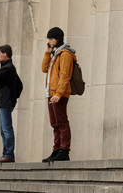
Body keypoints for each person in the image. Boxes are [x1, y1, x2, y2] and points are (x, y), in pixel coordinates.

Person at [41, 27, 76, 162]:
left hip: (58, 94)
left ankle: (64, 150)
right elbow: (44, 69)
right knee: (54, 123)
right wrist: (47, 53)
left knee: (61, 122)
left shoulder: (65, 54)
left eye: (51, 39)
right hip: (51, 93)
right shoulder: (54, 53)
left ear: (58, 39)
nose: (49, 41)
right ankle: (56, 149)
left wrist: (59, 93)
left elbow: (64, 76)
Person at [0, 44, 20, 163]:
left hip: (5, 102)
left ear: (5, 54)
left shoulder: (8, 68)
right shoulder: (7, 67)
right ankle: (6, 153)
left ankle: (9, 154)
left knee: (6, 129)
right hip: (3, 102)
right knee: (3, 129)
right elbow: (19, 84)